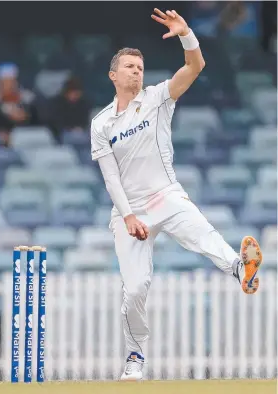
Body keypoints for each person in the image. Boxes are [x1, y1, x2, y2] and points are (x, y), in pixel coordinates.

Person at [90, 8, 263, 381]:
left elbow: (194, 66)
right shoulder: (101, 123)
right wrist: (128, 215)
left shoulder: (157, 98)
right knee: (135, 288)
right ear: (113, 75)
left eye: (140, 66)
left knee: (202, 232)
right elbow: (110, 177)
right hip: (129, 210)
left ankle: (239, 269)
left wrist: (187, 35)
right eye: (130, 66)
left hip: (165, 194)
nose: (137, 71)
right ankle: (135, 355)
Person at [0, 62, 39, 146]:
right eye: (5, 82)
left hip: (26, 142)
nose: (10, 86)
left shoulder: (28, 100)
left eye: (12, 82)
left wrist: (25, 116)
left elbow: (37, 121)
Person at [46, 75, 91, 142]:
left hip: (80, 133)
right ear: (66, 93)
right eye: (73, 93)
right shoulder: (57, 103)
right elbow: (55, 122)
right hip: (61, 134)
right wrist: (69, 128)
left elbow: (84, 121)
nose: (75, 96)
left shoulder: (83, 104)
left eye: (78, 94)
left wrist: (79, 128)